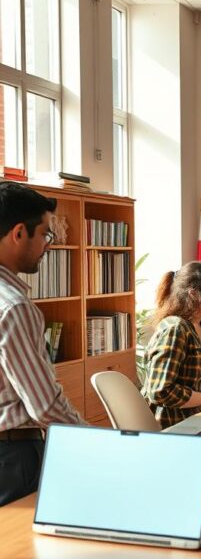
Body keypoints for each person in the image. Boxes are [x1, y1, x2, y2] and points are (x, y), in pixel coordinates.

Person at [0, 182, 87, 506]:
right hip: (12, 458)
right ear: (19, 233)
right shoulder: (14, 307)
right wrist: (99, 441)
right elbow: (44, 406)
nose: (48, 245)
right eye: (46, 234)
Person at [142, 262, 201, 428]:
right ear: (195, 293)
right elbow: (160, 391)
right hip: (173, 426)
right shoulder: (176, 329)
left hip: (197, 419)